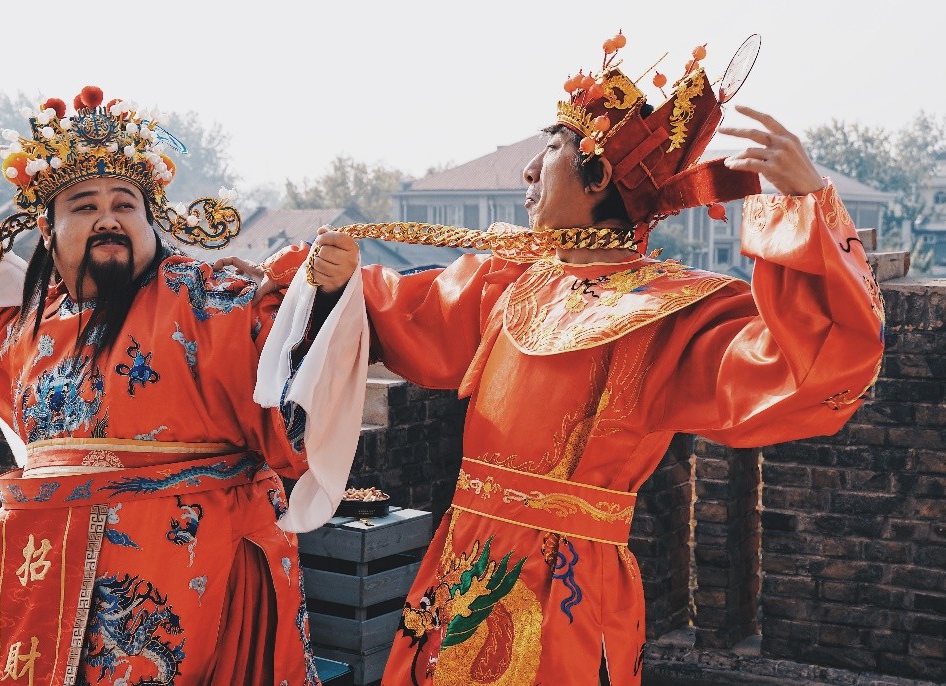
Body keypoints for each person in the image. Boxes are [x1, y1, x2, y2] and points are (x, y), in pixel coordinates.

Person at [262, 34, 884, 685]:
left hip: (570, 591)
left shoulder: (672, 314)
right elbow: (402, 311)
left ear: (598, 174)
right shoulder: (509, 282)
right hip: (462, 563)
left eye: (553, 147)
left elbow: (817, 364)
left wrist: (807, 205)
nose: (530, 170)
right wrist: (334, 282)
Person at [0, 86, 362, 686]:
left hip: (194, 590)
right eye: (83, 205)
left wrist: (324, 296)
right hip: (56, 597)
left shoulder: (201, 298)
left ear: (151, 222)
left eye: (124, 204)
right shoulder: (32, 327)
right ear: (47, 231)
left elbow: (282, 346)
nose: (108, 218)